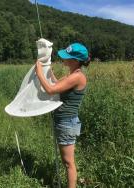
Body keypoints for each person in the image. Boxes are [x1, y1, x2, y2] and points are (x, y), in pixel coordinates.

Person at [35, 43, 90, 188]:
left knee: (68, 163)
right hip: (65, 122)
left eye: (67, 57)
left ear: (76, 60)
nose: (63, 59)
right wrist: (49, 72)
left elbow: (51, 90)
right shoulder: (72, 75)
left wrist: (39, 71)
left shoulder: (77, 77)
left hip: (66, 123)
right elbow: (57, 84)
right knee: (68, 161)